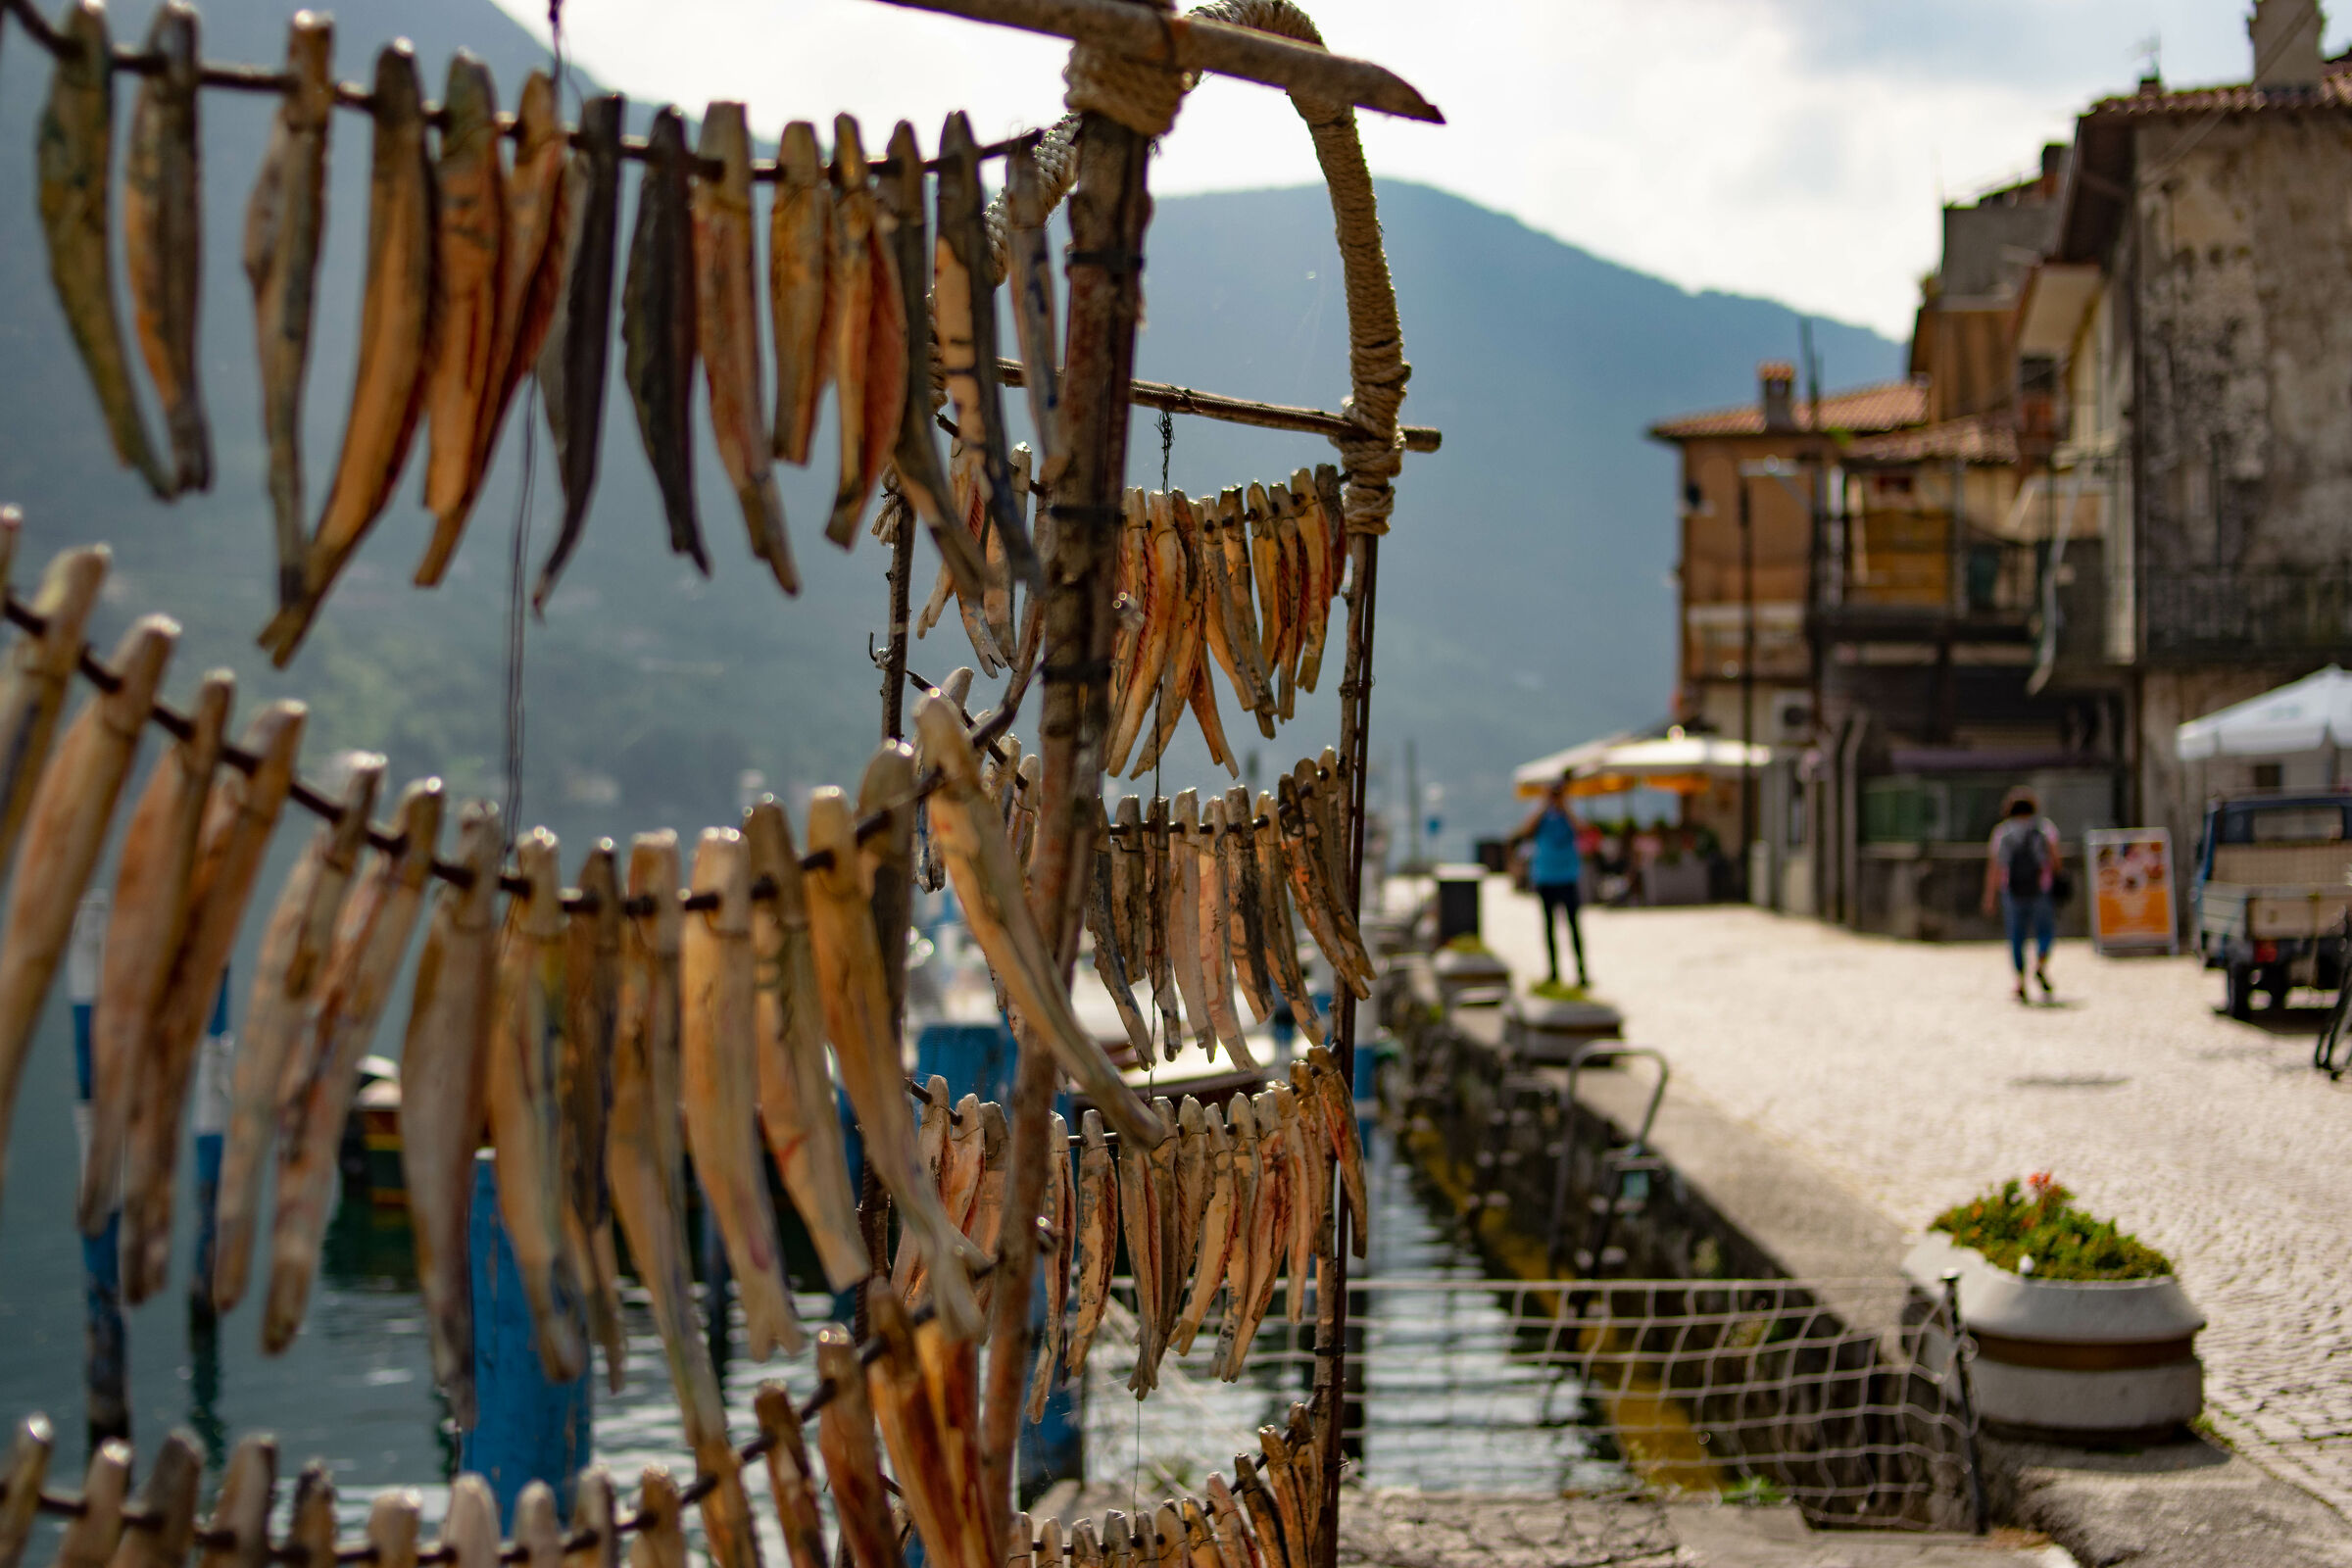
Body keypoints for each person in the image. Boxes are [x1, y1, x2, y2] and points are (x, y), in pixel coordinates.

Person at [1982, 787, 2061, 1002]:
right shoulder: (2044, 828)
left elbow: (1995, 867)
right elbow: (2055, 860)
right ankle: (2041, 964)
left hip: (2012, 890)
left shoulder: (2002, 832)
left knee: (2016, 936)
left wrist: (1989, 896)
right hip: (2041, 888)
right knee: (2045, 931)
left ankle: (2019, 981)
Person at [1512, 777, 1590, 988]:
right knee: (1549, 928)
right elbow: (1525, 831)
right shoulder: (1541, 815)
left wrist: (1566, 807)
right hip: (1545, 877)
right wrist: (1543, 805)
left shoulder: (1570, 812)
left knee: (1574, 927)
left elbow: (1582, 830)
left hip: (1567, 877)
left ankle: (1581, 971)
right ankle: (1553, 972)